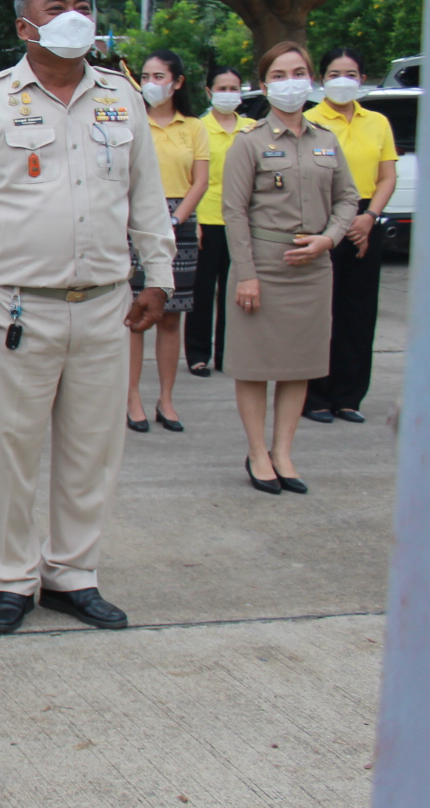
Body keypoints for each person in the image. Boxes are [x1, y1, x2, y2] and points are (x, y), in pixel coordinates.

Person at [0, 0, 173, 637]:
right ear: (26, 27)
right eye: (57, 6)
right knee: (10, 452)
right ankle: (12, 578)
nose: (74, 14)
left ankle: (73, 573)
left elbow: (146, 197)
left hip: (104, 305)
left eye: (81, 5)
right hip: (16, 308)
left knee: (92, 448)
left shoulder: (122, 98)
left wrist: (156, 275)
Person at [225, 43, 359, 493]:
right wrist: (246, 272)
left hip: (313, 267)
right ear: (264, 86)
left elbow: (348, 198)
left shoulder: (326, 139)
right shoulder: (250, 142)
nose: (291, 82)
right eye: (279, 75)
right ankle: (257, 453)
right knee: (255, 364)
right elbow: (234, 211)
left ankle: (283, 451)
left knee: (298, 364)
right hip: (264, 264)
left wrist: (331, 237)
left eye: (299, 72)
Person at [302, 46, 397, 423]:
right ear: (321, 79)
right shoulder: (308, 120)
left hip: (364, 222)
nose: (344, 80)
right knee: (320, 311)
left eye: (352, 74)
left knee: (357, 313)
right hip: (321, 220)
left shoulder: (377, 122)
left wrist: (369, 216)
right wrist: (338, 223)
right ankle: (316, 396)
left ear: (362, 77)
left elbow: (387, 176)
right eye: (335, 73)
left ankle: (349, 396)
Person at [125, 50, 209, 433]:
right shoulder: (129, 119)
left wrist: (175, 220)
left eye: (159, 76)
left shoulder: (193, 127)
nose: (150, 83)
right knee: (135, 315)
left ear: (177, 82)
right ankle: (132, 398)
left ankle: (167, 399)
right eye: (145, 75)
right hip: (133, 221)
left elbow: (201, 181)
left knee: (172, 315)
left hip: (179, 221)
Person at [187, 68, 257, 376]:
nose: (229, 93)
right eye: (222, 87)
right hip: (208, 218)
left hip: (242, 221)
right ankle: (198, 354)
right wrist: (195, 220)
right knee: (201, 291)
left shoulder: (252, 128)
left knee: (235, 291)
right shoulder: (199, 128)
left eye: (234, 87)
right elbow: (192, 178)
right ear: (208, 92)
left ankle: (227, 353)